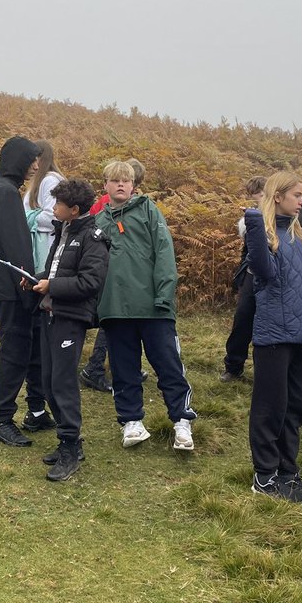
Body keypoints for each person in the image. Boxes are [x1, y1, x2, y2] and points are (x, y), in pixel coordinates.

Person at [96, 160, 196, 450]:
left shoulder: (149, 210)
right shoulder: (98, 222)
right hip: (115, 310)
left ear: (133, 184)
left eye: (125, 180)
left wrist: (164, 295)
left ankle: (181, 421)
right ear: (105, 185)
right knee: (123, 368)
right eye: (114, 181)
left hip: (155, 308)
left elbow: (164, 251)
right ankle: (131, 422)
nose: (120, 185)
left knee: (168, 365)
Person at [244, 172, 302, 502]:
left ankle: (288, 470)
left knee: (296, 407)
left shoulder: (297, 241)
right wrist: (256, 222)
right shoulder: (266, 238)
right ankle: (265, 474)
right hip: (273, 336)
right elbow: (264, 271)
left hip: (300, 338)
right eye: (297, 195)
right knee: (270, 407)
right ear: (278, 197)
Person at [30, 179, 110, 481]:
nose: (54, 207)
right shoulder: (63, 230)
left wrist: (52, 286)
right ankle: (68, 442)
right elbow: (55, 272)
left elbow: (90, 282)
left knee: (62, 383)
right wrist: (35, 279)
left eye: (59, 203)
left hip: (70, 318)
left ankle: (70, 446)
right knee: (49, 381)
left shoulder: (92, 237)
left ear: (74, 209)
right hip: (50, 314)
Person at [0, 137, 52, 447]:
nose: (36, 165)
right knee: (15, 349)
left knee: (28, 345)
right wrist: (30, 283)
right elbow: (16, 244)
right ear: (18, 160)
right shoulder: (6, 193)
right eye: (31, 159)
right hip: (14, 285)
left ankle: (35, 411)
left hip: (3, 283)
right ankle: (1, 420)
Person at [80, 157, 147, 392]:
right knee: (111, 322)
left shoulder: (119, 205)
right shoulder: (105, 207)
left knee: (116, 322)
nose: (126, 187)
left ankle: (118, 367)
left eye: (129, 182)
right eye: (118, 181)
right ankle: (95, 368)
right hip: (108, 274)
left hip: (116, 274)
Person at [220, 175, 267, 382]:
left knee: (266, 323)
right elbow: (246, 251)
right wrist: (241, 276)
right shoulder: (249, 219)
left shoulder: (284, 217)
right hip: (251, 275)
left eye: (263, 193)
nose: (260, 197)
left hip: (272, 278)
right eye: (257, 194)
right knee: (243, 318)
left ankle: (264, 369)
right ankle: (233, 365)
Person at [24, 140, 65, 276]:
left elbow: (52, 216)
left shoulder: (50, 180)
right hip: (35, 240)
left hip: (45, 243)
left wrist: (25, 217)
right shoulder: (38, 180)